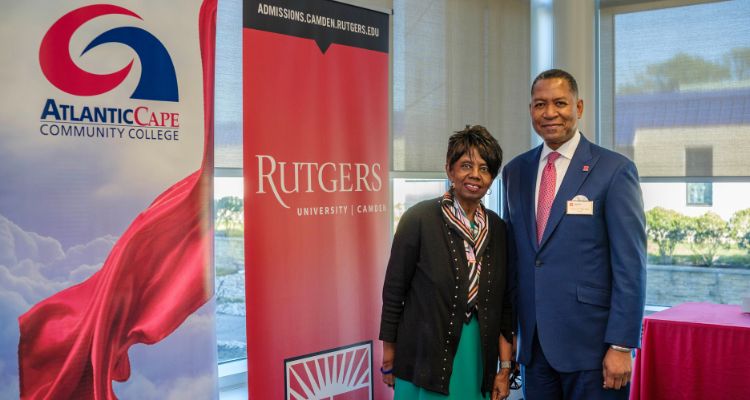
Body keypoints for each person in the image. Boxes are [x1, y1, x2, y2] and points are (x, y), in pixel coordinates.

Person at [501, 68, 646, 399]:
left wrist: (622, 344)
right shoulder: (515, 173)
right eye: (540, 104)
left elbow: (630, 265)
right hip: (534, 349)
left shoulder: (614, 170)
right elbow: (517, 259)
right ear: (531, 110)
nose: (549, 113)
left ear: (578, 108)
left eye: (559, 103)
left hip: (593, 350)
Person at [379, 125, 514, 400]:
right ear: (449, 170)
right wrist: (390, 354)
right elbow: (394, 292)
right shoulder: (419, 219)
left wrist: (504, 367)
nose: (475, 175)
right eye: (466, 165)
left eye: (485, 168)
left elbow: (504, 307)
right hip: (424, 354)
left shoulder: (498, 230)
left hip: (478, 353)